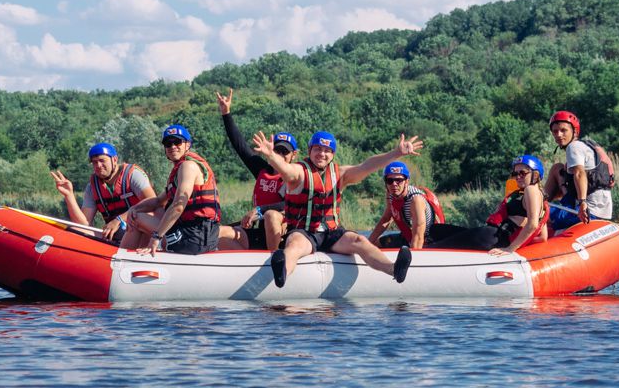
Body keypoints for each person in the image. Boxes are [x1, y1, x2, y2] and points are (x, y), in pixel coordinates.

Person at [251, 130, 422, 288]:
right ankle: (282, 274)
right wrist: (271, 156)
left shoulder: (341, 174)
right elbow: (286, 169)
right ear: (309, 150)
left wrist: (396, 153)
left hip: (332, 234)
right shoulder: (299, 172)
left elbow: (366, 166)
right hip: (304, 232)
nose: (322, 154)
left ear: (332, 154)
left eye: (327, 150)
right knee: (294, 245)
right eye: (317, 149)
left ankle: (394, 270)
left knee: (359, 240)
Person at [215, 88, 297, 250]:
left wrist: (259, 210)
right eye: (277, 151)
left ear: (293, 155)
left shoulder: (296, 176)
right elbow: (240, 146)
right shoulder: (262, 169)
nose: (280, 155)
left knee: (271, 215)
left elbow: (289, 204)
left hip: (283, 235)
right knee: (217, 233)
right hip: (257, 231)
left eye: (284, 152)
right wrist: (226, 113)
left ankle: (275, 261)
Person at [126, 124, 222, 256]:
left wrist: (156, 237)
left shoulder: (188, 166)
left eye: (177, 142)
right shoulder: (179, 171)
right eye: (168, 143)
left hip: (194, 236)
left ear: (187, 145)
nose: (172, 147)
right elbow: (159, 201)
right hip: (195, 232)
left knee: (137, 219)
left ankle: (123, 257)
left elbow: (178, 206)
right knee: (136, 214)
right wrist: (134, 209)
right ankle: (137, 254)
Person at [428, 155, 549, 253]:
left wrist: (511, 248)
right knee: (437, 230)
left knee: (436, 245)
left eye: (522, 173)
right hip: (492, 237)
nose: (517, 177)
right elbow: (543, 237)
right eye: (515, 174)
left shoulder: (531, 189)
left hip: (491, 237)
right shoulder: (540, 200)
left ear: (536, 175)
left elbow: (532, 225)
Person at [50, 142, 156, 244]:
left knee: (136, 222)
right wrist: (69, 195)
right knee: (76, 230)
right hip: (114, 235)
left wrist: (118, 220)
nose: (98, 165)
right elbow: (83, 224)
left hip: (139, 230)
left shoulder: (133, 175)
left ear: (114, 160)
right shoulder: (92, 187)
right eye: (94, 162)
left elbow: (153, 202)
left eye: (102, 160)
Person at [544, 110, 614, 232]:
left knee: (538, 213)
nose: (558, 135)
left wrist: (582, 203)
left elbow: (580, 174)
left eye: (563, 130)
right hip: (604, 212)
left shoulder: (573, 147)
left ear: (575, 131)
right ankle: (539, 201)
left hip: (588, 212)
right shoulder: (587, 146)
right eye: (555, 131)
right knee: (558, 168)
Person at [367, 161, 452, 251]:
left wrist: (412, 260)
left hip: (427, 241)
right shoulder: (390, 194)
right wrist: (366, 244)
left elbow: (418, 238)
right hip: (408, 237)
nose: (394, 184)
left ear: (406, 181)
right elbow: (386, 219)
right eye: (389, 181)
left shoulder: (416, 200)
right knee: (374, 244)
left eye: (399, 180)